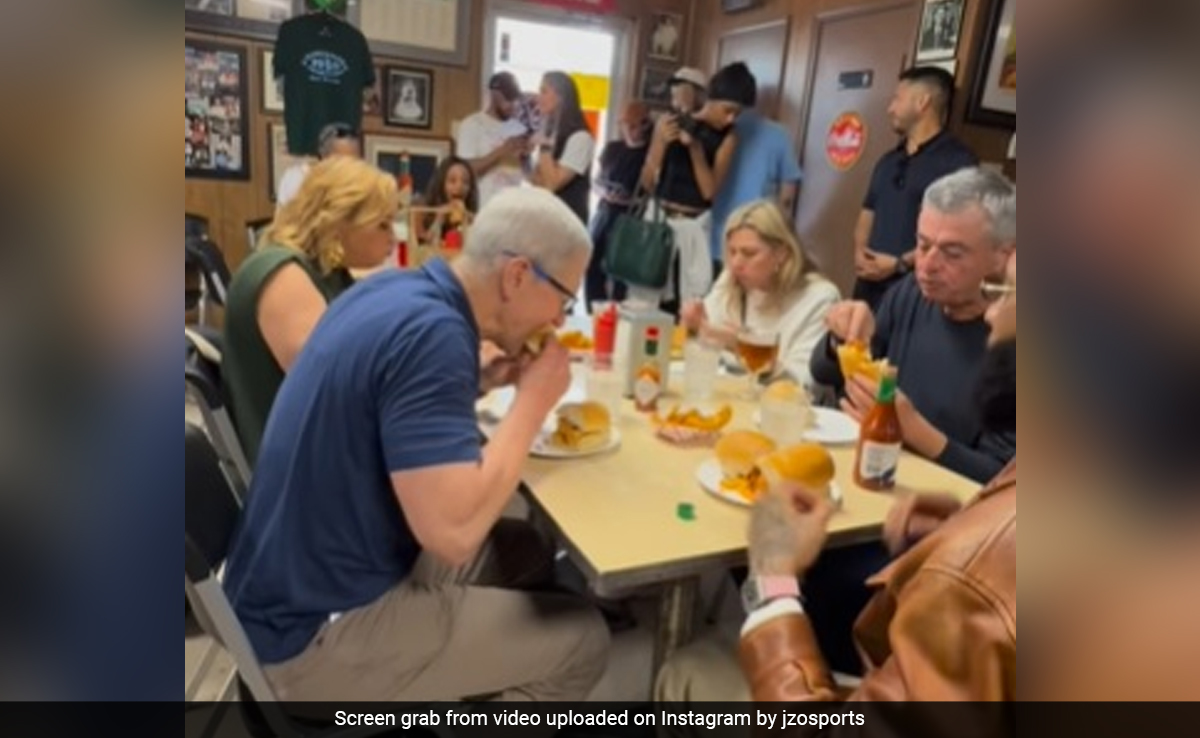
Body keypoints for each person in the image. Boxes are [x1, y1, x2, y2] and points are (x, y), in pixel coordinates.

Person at [222, 187, 609, 702]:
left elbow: (387, 396)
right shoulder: (436, 337)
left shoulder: (393, 291)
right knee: (584, 639)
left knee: (530, 552)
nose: (560, 320)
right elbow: (453, 533)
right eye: (563, 299)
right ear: (517, 275)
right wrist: (533, 402)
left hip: (279, 586)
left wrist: (481, 382)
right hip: (310, 636)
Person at [656, 249, 1016, 715]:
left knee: (684, 674)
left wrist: (773, 582)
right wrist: (963, 522)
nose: (992, 313)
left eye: (1007, 292)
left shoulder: (977, 579)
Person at [813, 166, 1015, 485]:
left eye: (951, 253)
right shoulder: (910, 292)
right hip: (875, 480)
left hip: (947, 512)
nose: (927, 265)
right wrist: (842, 339)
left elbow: (1002, 480)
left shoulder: (1014, 340)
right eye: (922, 245)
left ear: (1002, 257)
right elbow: (826, 375)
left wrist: (914, 430)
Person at [223, 156, 397, 464]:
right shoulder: (282, 275)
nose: (393, 238)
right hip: (300, 473)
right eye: (382, 224)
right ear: (339, 222)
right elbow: (335, 389)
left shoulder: (327, 272)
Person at [853, 67, 977, 310]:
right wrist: (859, 253)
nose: (890, 108)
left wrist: (899, 264)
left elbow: (959, 234)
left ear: (922, 102)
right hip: (868, 289)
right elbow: (867, 213)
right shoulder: (888, 160)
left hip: (917, 295)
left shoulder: (958, 162)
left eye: (897, 99)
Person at [680, 200, 839, 388]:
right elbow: (703, 352)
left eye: (749, 253)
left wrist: (745, 349)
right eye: (732, 252)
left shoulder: (819, 298)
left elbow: (806, 383)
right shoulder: (731, 280)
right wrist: (694, 328)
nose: (736, 263)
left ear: (782, 253)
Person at [637, 62, 751, 312]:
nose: (730, 118)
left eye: (737, 114)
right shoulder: (670, 122)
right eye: (728, 110)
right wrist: (660, 143)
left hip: (694, 224)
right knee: (646, 300)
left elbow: (709, 191)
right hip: (658, 221)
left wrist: (695, 148)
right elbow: (646, 182)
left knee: (687, 303)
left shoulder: (728, 137)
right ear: (711, 99)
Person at [708, 67, 803, 277]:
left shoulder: (716, 129)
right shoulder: (778, 135)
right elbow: (787, 197)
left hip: (714, 238)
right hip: (757, 244)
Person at [586, 100, 651, 309]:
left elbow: (650, 192)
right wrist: (605, 192)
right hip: (605, 213)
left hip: (631, 220)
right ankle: (594, 310)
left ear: (646, 125)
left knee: (622, 272)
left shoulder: (650, 154)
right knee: (593, 264)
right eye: (627, 125)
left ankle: (619, 313)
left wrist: (629, 200)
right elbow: (596, 181)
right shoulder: (612, 148)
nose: (632, 131)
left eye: (637, 125)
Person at [455, 72, 530, 208]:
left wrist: (527, 158)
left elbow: (528, 176)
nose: (512, 104)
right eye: (507, 98)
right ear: (493, 94)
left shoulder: (520, 129)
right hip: (483, 210)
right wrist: (502, 151)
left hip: (514, 210)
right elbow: (464, 171)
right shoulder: (472, 124)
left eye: (515, 99)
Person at [531, 71, 595, 227]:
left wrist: (544, 145)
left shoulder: (581, 137)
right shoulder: (553, 134)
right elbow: (540, 184)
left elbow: (553, 183)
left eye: (544, 91)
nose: (538, 97)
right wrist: (523, 157)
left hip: (568, 225)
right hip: (548, 219)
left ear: (561, 97)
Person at [276, 122, 361, 209]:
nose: (349, 166)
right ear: (323, 155)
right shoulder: (296, 178)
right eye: (341, 160)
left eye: (354, 160)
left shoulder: (361, 184)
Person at [414, 155, 478, 246]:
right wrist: (439, 219)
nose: (459, 186)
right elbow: (423, 247)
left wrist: (470, 225)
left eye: (465, 182)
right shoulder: (421, 212)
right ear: (441, 184)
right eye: (452, 181)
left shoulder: (472, 218)